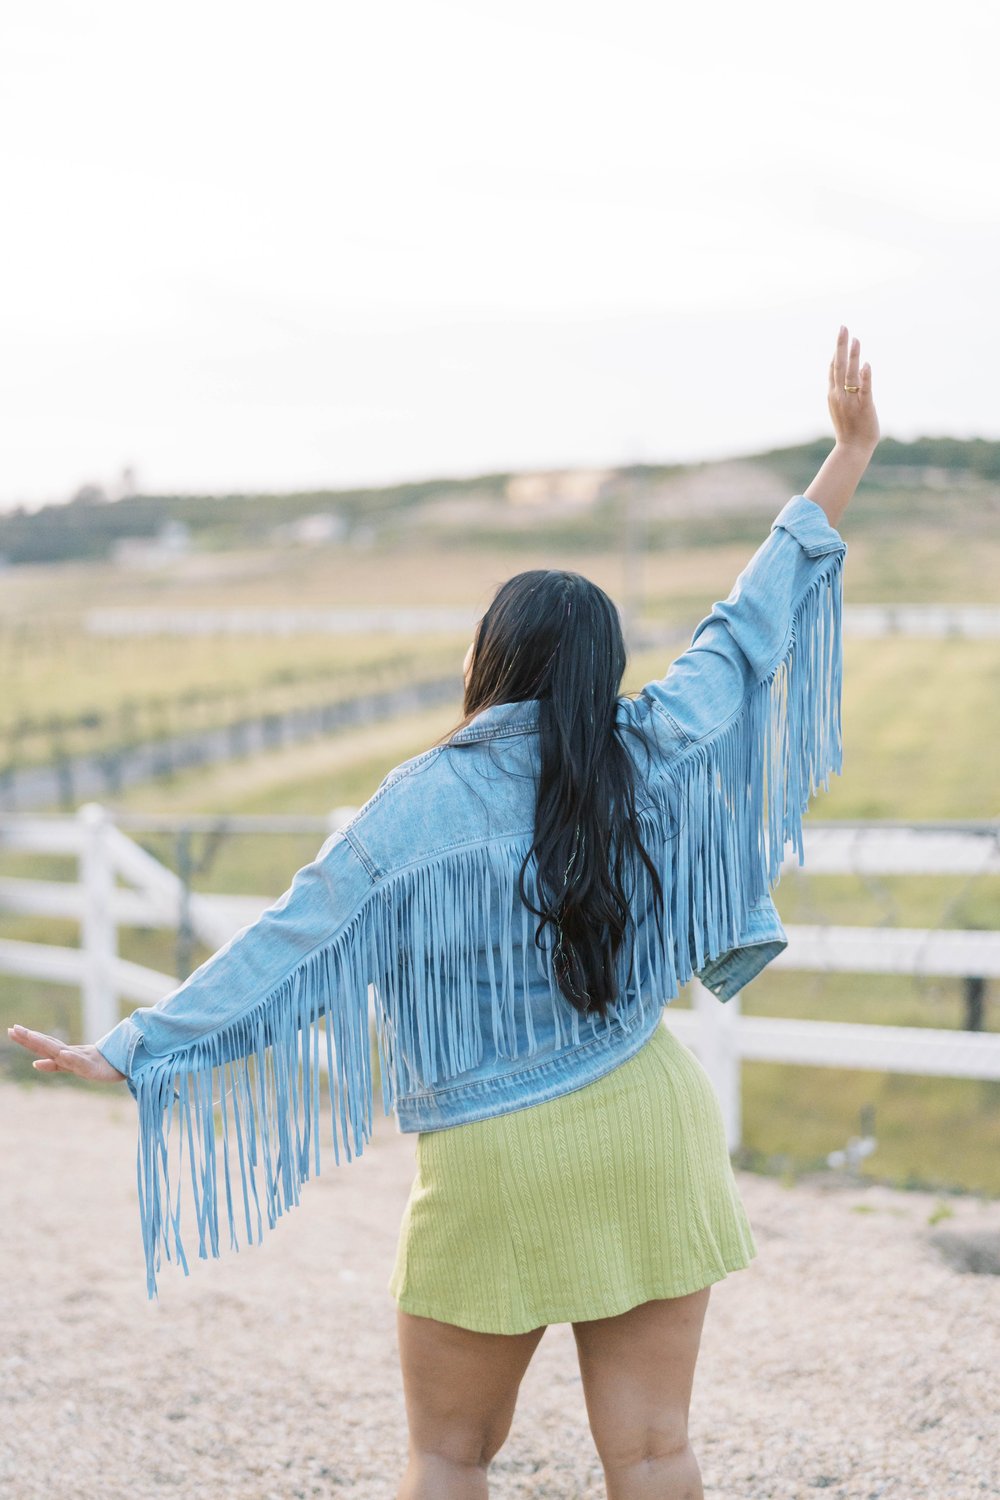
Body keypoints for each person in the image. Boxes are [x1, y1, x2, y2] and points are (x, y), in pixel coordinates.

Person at [9, 325, 879, 1500]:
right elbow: (750, 624)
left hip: (496, 1156)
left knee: (447, 1453)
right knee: (658, 1451)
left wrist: (133, 1048)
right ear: (600, 667)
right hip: (646, 1123)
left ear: (491, 659)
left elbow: (289, 947)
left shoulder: (416, 806)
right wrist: (848, 454)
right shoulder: (658, 749)